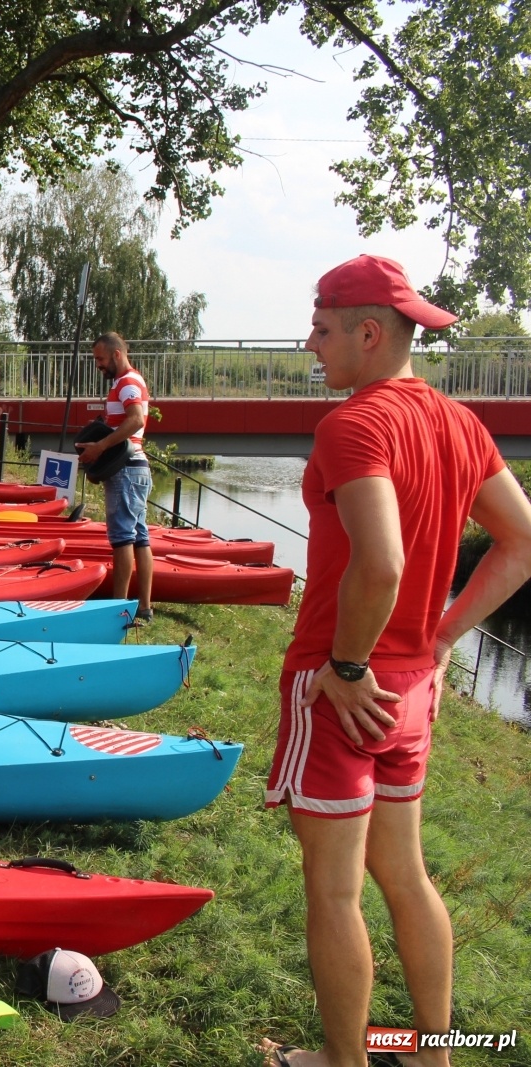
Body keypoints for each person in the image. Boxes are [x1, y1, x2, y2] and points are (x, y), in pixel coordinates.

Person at [261, 255, 531, 1067]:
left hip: (347, 691)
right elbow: (521, 541)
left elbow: (381, 564)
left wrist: (345, 666)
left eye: (320, 326)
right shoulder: (460, 422)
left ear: (368, 332)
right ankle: (432, 1055)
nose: (311, 342)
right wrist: (444, 638)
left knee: (336, 891)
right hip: (413, 690)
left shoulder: (354, 425)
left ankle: (343, 1062)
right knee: (405, 875)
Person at [75, 333, 154, 623]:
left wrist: (101, 447)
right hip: (137, 467)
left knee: (122, 538)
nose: (98, 364)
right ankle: (144, 607)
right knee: (140, 538)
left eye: (100, 358)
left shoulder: (127, 383)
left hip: (127, 467)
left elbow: (136, 420)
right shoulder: (127, 382)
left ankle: (118, 608)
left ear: (117, 354)